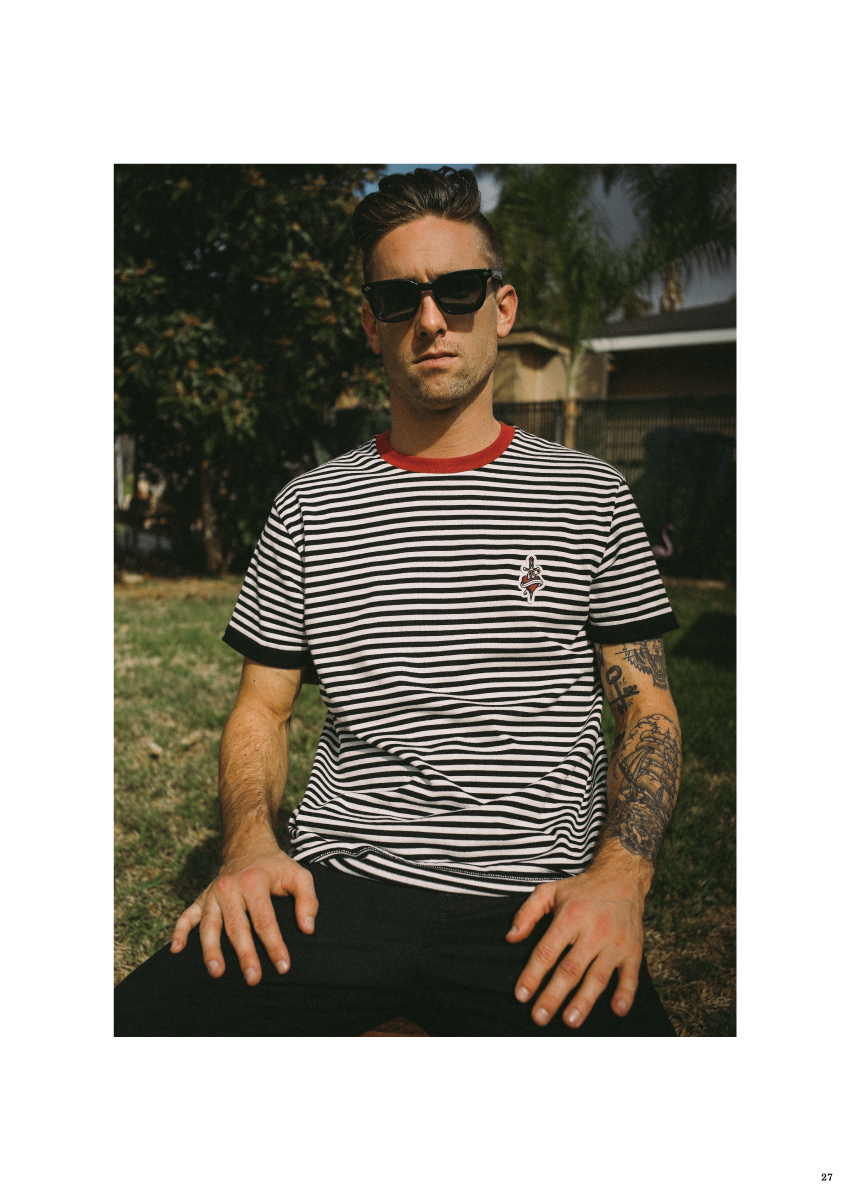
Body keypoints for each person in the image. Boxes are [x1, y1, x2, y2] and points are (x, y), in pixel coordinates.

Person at [115, 167, 682, 1037]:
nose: (429, 320)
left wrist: (620, 878)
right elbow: (262, 710)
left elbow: (647, 708)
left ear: (501, 306)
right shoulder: (307, 506)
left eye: (457, 291)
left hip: (534, 906)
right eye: (397, 297)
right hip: (333, 893)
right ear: (369, 322)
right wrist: (251, 845)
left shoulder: (590, 495)